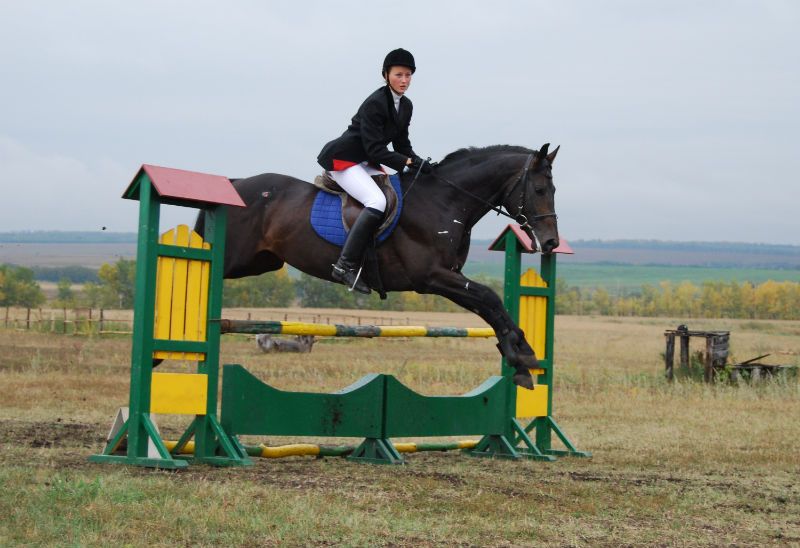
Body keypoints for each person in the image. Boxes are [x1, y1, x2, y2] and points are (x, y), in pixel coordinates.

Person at [317, 48, 433, 294]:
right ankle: (344, 265)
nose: (404, 80)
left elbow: (402, 145)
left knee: (393, 193)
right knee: (377, 201)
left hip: (366, 160)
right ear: (386, 75)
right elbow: (375, 149)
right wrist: (406, 162)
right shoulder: (375, 103)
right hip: (345, 160)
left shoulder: (406, 105)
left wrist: (419, 163)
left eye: (408, 75)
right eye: (399, 75)